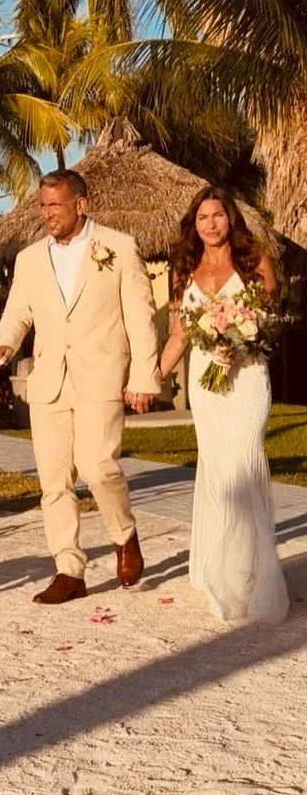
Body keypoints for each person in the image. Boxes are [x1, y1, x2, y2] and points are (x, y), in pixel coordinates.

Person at [0, 169, 161, 604]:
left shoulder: (119, 248)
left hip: (101, 375)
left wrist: (144, 376)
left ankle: (125, 535)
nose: (47, 214)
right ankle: (69, 569)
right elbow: (18, 312)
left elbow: (141, 316)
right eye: (43, 206)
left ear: (80, 205)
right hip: (48, 382)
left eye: (55, 206)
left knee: (98, 465)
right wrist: (4, 344)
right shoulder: (28, 259)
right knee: (54, 481)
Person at [158, 187, 289, 623]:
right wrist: (151, 375)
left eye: (217, 215)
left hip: (248, 376)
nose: (210, 224)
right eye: (202, 217)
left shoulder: (255, 265)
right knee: (216, 464)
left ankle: (251, 573)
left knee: (245, 460)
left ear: (230, 219)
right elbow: (179, 333)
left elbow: (270, 322)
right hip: (205, 381)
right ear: (193, 225)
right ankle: (218, 565)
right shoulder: (183, 271)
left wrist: (243, 337)